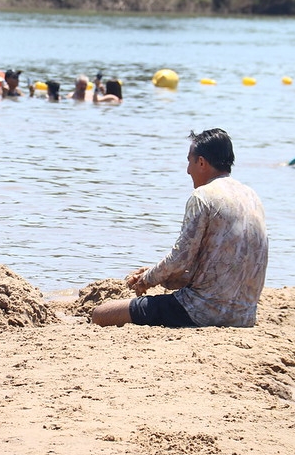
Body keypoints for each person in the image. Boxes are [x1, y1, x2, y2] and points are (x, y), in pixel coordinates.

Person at [91, 128, 268, 329]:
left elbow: (181, 258)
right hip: (244, 316)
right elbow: (211, 265)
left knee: (101, 314)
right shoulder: (252, 196)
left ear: (201, 162)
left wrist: (147, 280)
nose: (187, 170)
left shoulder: (203, 196)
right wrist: (157, 273)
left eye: (189, 161)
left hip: (201, 312)